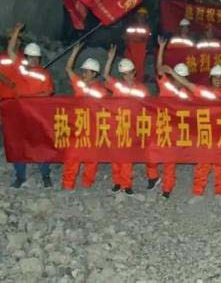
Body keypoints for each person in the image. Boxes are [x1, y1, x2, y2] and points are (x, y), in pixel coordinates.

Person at [169, 63, 221, 203]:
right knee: (202, 164)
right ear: (211, 79)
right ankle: (198, 193)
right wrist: (171, 71)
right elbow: (187, 84)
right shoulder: (204, 92)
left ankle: (220, 192)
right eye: (215, 77)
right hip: (205, 133)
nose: (218, 80)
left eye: (220, 77)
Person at [8, 23, 54, 188]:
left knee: (40, 145)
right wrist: (16, 32)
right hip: (20, 114)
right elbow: (11, 51)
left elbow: (47, 93)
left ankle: (45, 175)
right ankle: (20, 177)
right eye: (31, 57)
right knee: (19, 144)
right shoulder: (20, 67)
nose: (34, 60)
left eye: (37, 57)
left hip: (37, 115)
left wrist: (27, 98)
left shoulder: (44, 74)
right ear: (26, 57)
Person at [104, 44, 151, 195]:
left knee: (127, 156)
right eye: (124, 74)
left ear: (134, 72)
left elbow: (148, 108)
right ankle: (117, 182)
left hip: (132, 127)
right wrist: (110, 59)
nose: (128, 76)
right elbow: (106, 75)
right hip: (117, 125)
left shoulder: (142, 89)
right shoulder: (118, 85)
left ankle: (126, 184)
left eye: (130, 73)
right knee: (116, 155)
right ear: (122, 75)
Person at [62, 43, 108, 191]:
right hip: (77, 125)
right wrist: (74, 52)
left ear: (94, 74)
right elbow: (68, 69)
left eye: (87, 71)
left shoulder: (101, 91)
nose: (84, 74)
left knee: (91, 157)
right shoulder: (79, 84)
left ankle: (87, 183)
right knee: (72, 156)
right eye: (84, 71)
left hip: (93, 127)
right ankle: (68, 184)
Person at [156, 36, 194, 198]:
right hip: (161, 126)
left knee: (169, 160)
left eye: (183, 77)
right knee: (151, 155)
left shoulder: (187, 94)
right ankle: (153, 177)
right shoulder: (165, 84)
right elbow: (159, 68)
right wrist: (161, 48)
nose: (181, 80)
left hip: (175, 130)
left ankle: (167, 187)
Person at [124, 7, 151, 82]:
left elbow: (146, 39)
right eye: (140, 15)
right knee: (128, 67)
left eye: (143, 16)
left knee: (139, 68)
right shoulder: (131, 26)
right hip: (130, 51)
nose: (141, 18)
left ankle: (139, 82)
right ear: (136, 16)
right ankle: (128, 82)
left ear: (146, 17)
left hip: (140, 52)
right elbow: (125, 37)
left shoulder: (146, 28)